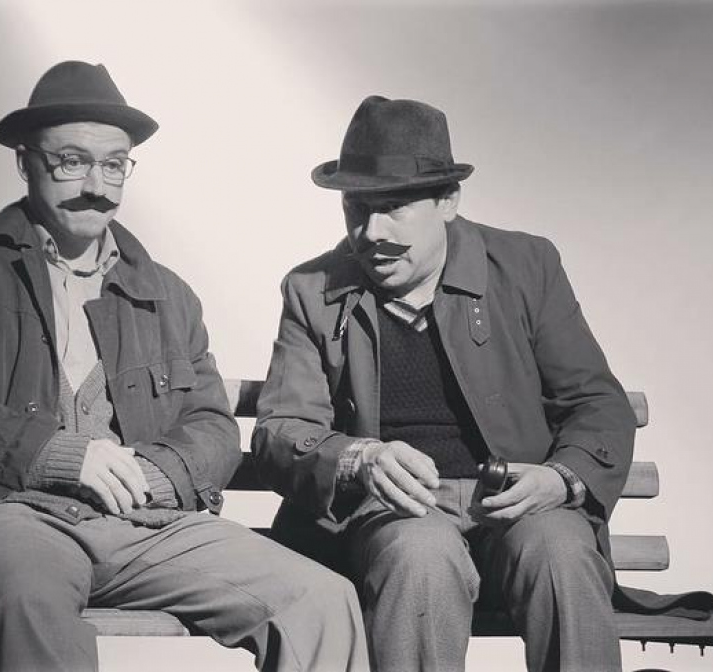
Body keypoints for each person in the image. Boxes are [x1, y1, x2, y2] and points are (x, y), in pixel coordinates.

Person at [0, 61, 369, 672]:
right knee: (31, 599)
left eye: (115, 164)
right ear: (25, 162)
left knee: (319, 598)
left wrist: (157, 474)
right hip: (10, 514)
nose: (97, 185)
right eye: (71, 161)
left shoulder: (167, 293)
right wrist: (57, 455)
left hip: (148, 524)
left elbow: (211, 425)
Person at [252, 95, 638, 671]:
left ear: (448, 201)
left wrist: (562, 479)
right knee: (420, 554)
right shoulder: (312, 289)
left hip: (520, 506)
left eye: (394, 208)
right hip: (393, 516)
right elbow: (282, 429)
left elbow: (596, 402)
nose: (370, 232)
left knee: (561, 550)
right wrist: (359, 459)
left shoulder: (526, 266)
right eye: (356, 207)